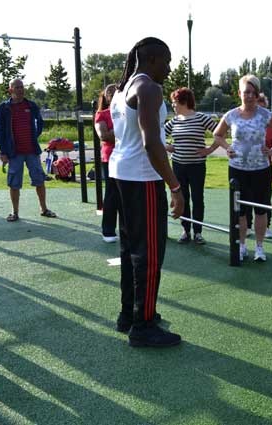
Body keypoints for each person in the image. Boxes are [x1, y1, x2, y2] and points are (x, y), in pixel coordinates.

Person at [109, 37, 184, 347]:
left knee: (130, 250)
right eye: (166, 61)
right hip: (142, 179)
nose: (169, 68)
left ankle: (131, 314)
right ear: (152, 59)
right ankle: (143, 326)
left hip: (120, 174)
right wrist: (175, 186)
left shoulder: (121, 89)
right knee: (150, 254)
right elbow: (151, 141)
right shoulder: (149, 88)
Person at [213, 75, 272, 262]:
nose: (249, 96)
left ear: (257, 94)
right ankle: (242, 246)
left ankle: (260, 248)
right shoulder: (231, 115)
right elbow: (217, 134)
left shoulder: (265, 115)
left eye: (253, 93)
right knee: (241, 211)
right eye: (246, 92)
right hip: (238, 170)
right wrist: (227, 148)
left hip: (261, 170)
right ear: (239, 93)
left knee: (260, 210)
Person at [0, 78, 57, 222]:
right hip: (14, 153)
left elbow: (40, 123)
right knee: (14, 183)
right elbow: (0, 131)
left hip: (32, 151)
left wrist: (34, 135)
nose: (20, 89)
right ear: (10, 90)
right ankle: (15, 212)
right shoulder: (4, 108)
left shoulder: (31, 105)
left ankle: (44, 209)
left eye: (22, 87)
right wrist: (3, 152)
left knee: (39, 180)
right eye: (17, 87)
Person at [164, 87, 218, 245]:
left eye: (174, 102)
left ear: (184, 102)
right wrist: (169, 147)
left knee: (197, 198)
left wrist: (209, 149)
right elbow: (159, 137)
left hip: (197, 166)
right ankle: (185, 230)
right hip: (178, 165)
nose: (173, 106)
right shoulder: (173, 121)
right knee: (183, 198)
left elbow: (219, 132)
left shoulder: (201, 118)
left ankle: (198, 232)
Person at [245, 93, 272, 239]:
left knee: (264, 199)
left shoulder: (271, 128)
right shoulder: (246, 124)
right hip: (245, 168)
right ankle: (247, 226)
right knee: (246, 197)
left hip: (264, 168)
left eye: (264, 108)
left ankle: (266, 227)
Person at [94, 84, 119, 243]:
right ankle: (108, 230)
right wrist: (124, 129)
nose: (114, 94)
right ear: (106, 97)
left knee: (129, 195)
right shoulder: (102, 115)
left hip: (128, 157)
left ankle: (128, 229)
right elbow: (104, 136)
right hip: (111, 157)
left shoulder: (126, 112)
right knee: (112, 194)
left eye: (117, 91)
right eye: (110, 92)